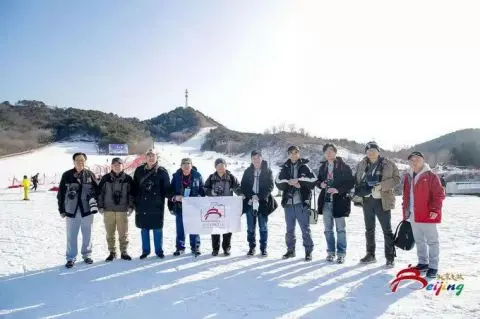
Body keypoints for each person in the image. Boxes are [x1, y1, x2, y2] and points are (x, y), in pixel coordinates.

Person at [354, 142, 400, 268]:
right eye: (368, 150)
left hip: (382, 199)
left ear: (378, 151)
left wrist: (382, 185)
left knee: (387, 230)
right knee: (369, 229)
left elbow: (397, 179)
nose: (371, 152)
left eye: (373, 150)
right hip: (367, 200)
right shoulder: (361, 164)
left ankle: (390, 257)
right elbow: (356, 180)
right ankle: (370, 254)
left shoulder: (388, 164)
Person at [402, 151, 445, 278]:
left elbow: (439, 195)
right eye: (411, 160)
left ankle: (433, 266)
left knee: (432, 242)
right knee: (419, 240)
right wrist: (405, 210)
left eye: (417, 159)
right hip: (413, 214)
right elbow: (406, 196)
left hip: (428, 214)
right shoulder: (408, 176)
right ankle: (423, 263)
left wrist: (434, 210)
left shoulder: (431, 176)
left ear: (423, 160)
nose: (414, 162)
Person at [57, 152, 99, 268]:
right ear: (73, 161)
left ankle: (87, 254)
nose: (80, 162)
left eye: (82, 160)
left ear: (85, 162)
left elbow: (98, 190)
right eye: (78, 160)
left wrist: (95, 203)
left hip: (87, 210)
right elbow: (61, 193)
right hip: (71, 210)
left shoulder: (90, 174)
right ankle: (71, 257)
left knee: (87, 233)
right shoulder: (67, 175)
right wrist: (61, 209)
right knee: (71, 234)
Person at [275, 145, 317, 261]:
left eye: (295, 152)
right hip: (288, 204)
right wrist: (289, 182)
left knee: (305, 228)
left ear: (299, 153)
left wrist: (299, 182)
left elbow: (313, 181)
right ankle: (290, 250)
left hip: (301, 204)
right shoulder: (285, 167)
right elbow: (278, 182)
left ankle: (308, 251)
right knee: (289, 229)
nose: (293, 155)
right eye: (291, 153)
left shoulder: (305, 167)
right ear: (288, 154)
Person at [317, 143, 354, 264]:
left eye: (331, 150)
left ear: (335, 152)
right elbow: (318, 180)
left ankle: (341, 254)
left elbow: (350, 183)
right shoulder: (323, 167)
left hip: (339, 201)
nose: (329, 153)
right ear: (324, 153)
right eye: (326, 151)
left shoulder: (344, 166)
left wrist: (338, 190)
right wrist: (320, 184)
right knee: (328, 229)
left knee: (340, 229)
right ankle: (330, 252)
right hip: (326, 201)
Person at [133, 149, 170, 259]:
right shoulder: (139, 170)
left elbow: (167, 188)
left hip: (156, 204)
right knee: (144, 229)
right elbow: (134, 188)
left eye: (153, 156)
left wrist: (173, 198)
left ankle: (159, 251)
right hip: (142, 204)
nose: (151, 158)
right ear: (145, 158)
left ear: (156, 157)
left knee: (157, 228)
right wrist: (133, 202)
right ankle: (145, 251)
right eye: (149, 156)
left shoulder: (162, 171)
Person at [98, 158, 135, 262]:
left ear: (123, 166)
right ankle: (112, 252)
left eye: (119, 164)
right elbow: (100, 193)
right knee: (110, 233)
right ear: (111, 166)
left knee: (123, 233)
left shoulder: (128, 179)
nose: (117, 166)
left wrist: (131, 206)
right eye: (114, 164)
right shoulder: (105, 178)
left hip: (122, 210)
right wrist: (100, 206)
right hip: (108, 209)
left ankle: (124, 252)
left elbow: (132, 194)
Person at [204, 158, 243, 256]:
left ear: (225, 166)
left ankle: (226, 248)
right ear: (215, 167)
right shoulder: (211, 177)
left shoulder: (231, 177)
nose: (220, 167)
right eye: (218, 166)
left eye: (222, 165)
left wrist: (241, 194)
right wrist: (210, 192)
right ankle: (215, 249)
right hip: (215, 207)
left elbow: (237, 187)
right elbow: (205, 189)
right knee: (215, 228)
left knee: (227, 228)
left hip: (228, 207)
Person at [241, 150, 275, 257]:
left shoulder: (268, 171)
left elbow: (270, 186)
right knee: (251, 227)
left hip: (263, 203)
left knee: (263, 227)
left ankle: (263, 248)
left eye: (258, 157)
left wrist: (259, 196)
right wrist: (251, 195)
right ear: (251, 159)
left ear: (261, 158)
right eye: (254, 158)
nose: (256, 160)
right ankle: (252, 247)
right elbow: (244, 186)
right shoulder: (247, 171)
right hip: (250, 202)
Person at [168, 158, 205, 257]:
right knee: (180, 229)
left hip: (194, 207)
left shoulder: (197, 176)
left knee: (194, 227)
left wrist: (197, 197)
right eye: (184, 164)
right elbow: (170, 192)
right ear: (181, 166)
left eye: (188, 164)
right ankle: (180, 248)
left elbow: (203, 190)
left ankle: (195, 247)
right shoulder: (176, 177)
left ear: (191, 165)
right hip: (180, 207)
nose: (186, 166)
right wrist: (175, 198)